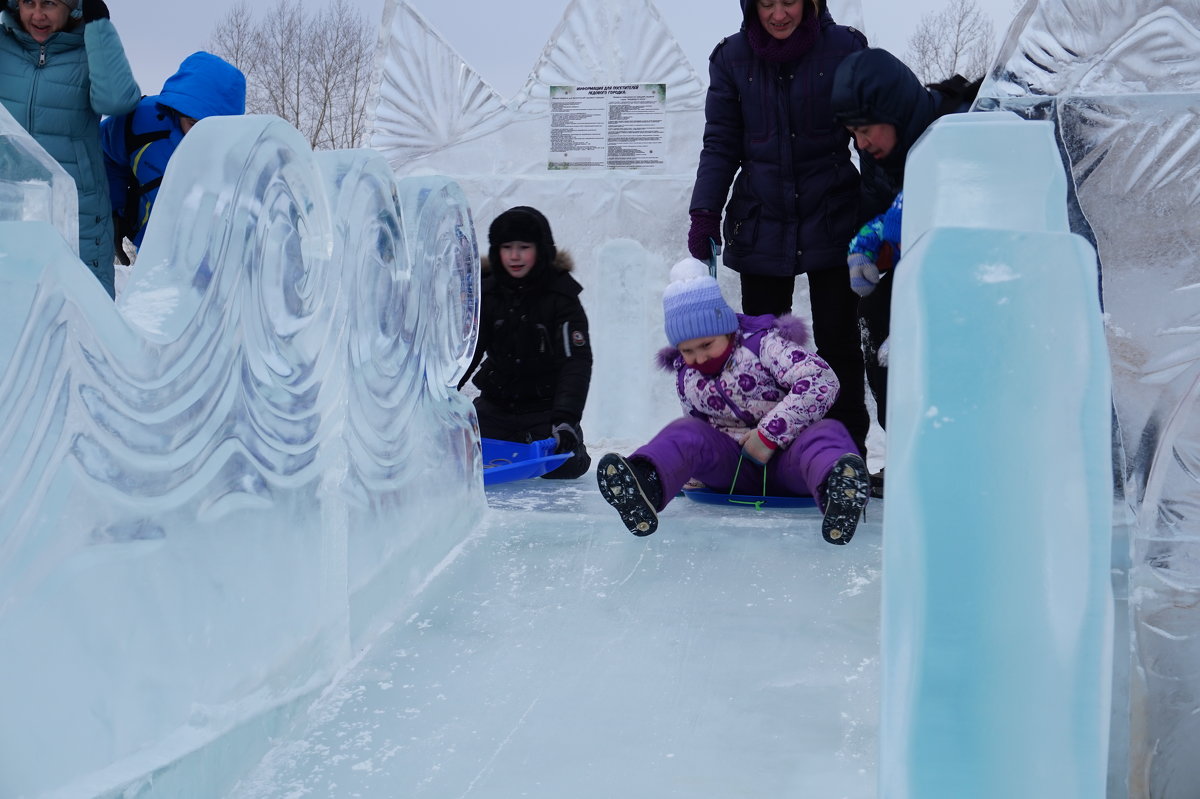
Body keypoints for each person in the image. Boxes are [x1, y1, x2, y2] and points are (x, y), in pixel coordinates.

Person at [687, 0, 870, 457]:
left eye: (789, 1)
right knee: (764, 350)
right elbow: (721, 143)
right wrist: (705, 211)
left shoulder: (844, 48)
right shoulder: (731, 58)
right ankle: (774, 452)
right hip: (762, 220)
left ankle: (844, 455)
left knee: (838, 343)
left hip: (833, 215)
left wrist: (880, 214)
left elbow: (868, 135)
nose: (779, 14)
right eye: (766, 2)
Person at [596, 258, 870, 545]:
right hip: (733, 470)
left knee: (828, 434)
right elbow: (699, 435)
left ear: (727, 329)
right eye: (687, 350)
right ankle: (645, 484)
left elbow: (821, 380)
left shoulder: (764, 345)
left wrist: (769, 436)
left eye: (706, 345)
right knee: (685, 431)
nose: (699, 358)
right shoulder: (687, 374)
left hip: (792, 463)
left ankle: (838, 491)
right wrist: (678, 471)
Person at [831, 48, 981, 495]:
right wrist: (869, 252)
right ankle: (911, 453)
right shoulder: (883, 159)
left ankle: (972, 461)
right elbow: (886, 217)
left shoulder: (962, 125)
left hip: (977, 278)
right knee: (874, 318)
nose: (861, 143)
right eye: (851, 134)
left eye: (864, 130)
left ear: (893, 112)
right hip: (926, 268)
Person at [0, 0, 139, 298]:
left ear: (74, 6)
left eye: (49, 3)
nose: (37, 14)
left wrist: (99, 24)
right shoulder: (3, 46)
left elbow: (117, 101)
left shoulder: (90, 49)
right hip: (8, 206)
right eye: (28, 3)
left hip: (77, 211)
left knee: (81, 317)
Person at [458, 206, 593, 479]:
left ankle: (572, 443)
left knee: (561, 466)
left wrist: (565, 420)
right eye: (507, 247)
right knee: (460, 459)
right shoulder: (488, 291)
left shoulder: (561, 296)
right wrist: (443, 397)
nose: (515, 256)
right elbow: (467, 352)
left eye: (524, 247)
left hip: (544, 408)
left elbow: (575, 362)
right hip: (496, 405)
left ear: (541, 249)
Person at [102, 51, 246, 260]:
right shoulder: (140, 123)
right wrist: (113, 212)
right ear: (176, 110)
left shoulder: (240, 155)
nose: (200, 135)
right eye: (193, 124)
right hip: (152, 246)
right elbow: (104, 155)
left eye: (212, 127)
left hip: (213, 256)